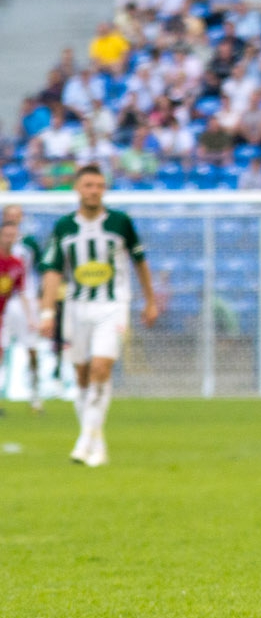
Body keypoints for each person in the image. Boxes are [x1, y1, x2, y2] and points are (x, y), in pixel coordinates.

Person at [37, 165, 159, 467]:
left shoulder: (120, 222)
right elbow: (53, 270)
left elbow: (140, 262)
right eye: (89, 185)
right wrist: (47, 310)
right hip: (77, 307)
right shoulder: (64, 227)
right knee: (81, 375)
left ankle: (84, 441)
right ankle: (97, 442)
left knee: (101, 368)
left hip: (113, 304)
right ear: (78, 188)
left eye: (100, 185)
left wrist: (150, 300)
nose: (95, 190)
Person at [2, 204, 49, 410]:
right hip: (5, 303)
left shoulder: (29, 244)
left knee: (32, 348)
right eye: (9, 216)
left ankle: (35, 393)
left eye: (17, 216)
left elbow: (42, 271)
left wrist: (40, 299)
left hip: (25, 301)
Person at [0, 221, 36, 412]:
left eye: (12, 235)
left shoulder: (17, 263)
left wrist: (30, 317)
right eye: (6, 235)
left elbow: (21, 292)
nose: (9, 239)